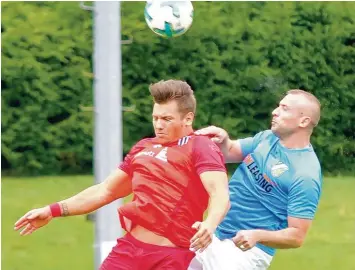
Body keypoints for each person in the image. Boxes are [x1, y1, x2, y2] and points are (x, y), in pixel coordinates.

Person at [14, 80, 231, 270]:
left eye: (166, 119)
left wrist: (209, 224)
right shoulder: (143, 147)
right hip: (128, 251)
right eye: (155, 117)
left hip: (171, 258)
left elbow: (219, 194)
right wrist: (52, 210)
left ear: (188, 118)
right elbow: (105, 190)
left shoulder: (200, 146)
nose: (158, 125)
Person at [189, 89, 322, 270]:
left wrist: (257, 235)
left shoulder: (305, 174)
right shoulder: (267, 138)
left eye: (284, 108)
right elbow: (230, 151)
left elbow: (297, 236)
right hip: (214, 233)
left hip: (246, 252)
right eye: (278, 106)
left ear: (303, 121)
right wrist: (224, 141)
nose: (275, 111)